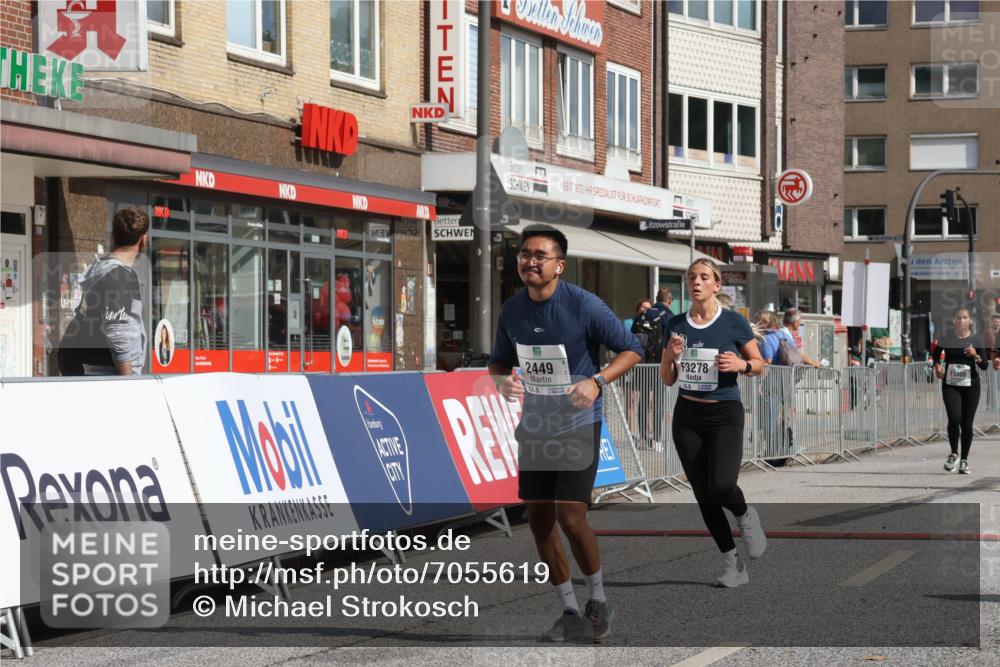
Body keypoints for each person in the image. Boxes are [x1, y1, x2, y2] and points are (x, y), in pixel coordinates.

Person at [490, 225, 643, 642]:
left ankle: (598, 599)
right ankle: (569, 611)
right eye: (524, 254)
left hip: (579, 424)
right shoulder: (512, 311)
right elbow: (499, 363)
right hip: (537, 427)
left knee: (570, 516)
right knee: (539, 522)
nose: (530, 261)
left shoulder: (584, 305)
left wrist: (596, 380)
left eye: (540, 255)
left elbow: (633, 349)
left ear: (559, 265)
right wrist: (501, 381)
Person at [660, 259, 767, 588]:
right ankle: (733, 565)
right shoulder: (676, 325)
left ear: (716, 285)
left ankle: (746, 516)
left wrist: (740, 363)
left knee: (721, 485)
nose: (696, 282)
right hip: (688, 416)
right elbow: (667, 379)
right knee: (704, 495)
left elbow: (759, 364)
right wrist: (670, 355)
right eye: (691, 277)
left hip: (724, 414)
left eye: (704, 277)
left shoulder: (733, 322)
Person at [58, 207, 149, 376]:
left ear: (113, 236)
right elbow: (117, 333)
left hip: (91, 368)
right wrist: (129, 382)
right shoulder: (119, 276)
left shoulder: (99, 269)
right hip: (109, 375)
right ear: (144, 240)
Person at [934, 306, 987, 475]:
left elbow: (984, 365)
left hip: (971, 386)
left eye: (965, 317)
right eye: (958, 317)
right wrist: (937, 367)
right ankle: (953, 453)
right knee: (954, 417)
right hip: (951, 384)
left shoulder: (976, 340)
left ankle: (964, 460)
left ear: (970, 320)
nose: (961, 320)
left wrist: (975, 355)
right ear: (954, 320)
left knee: (966, 423)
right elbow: (936, 356)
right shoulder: (946, 338)